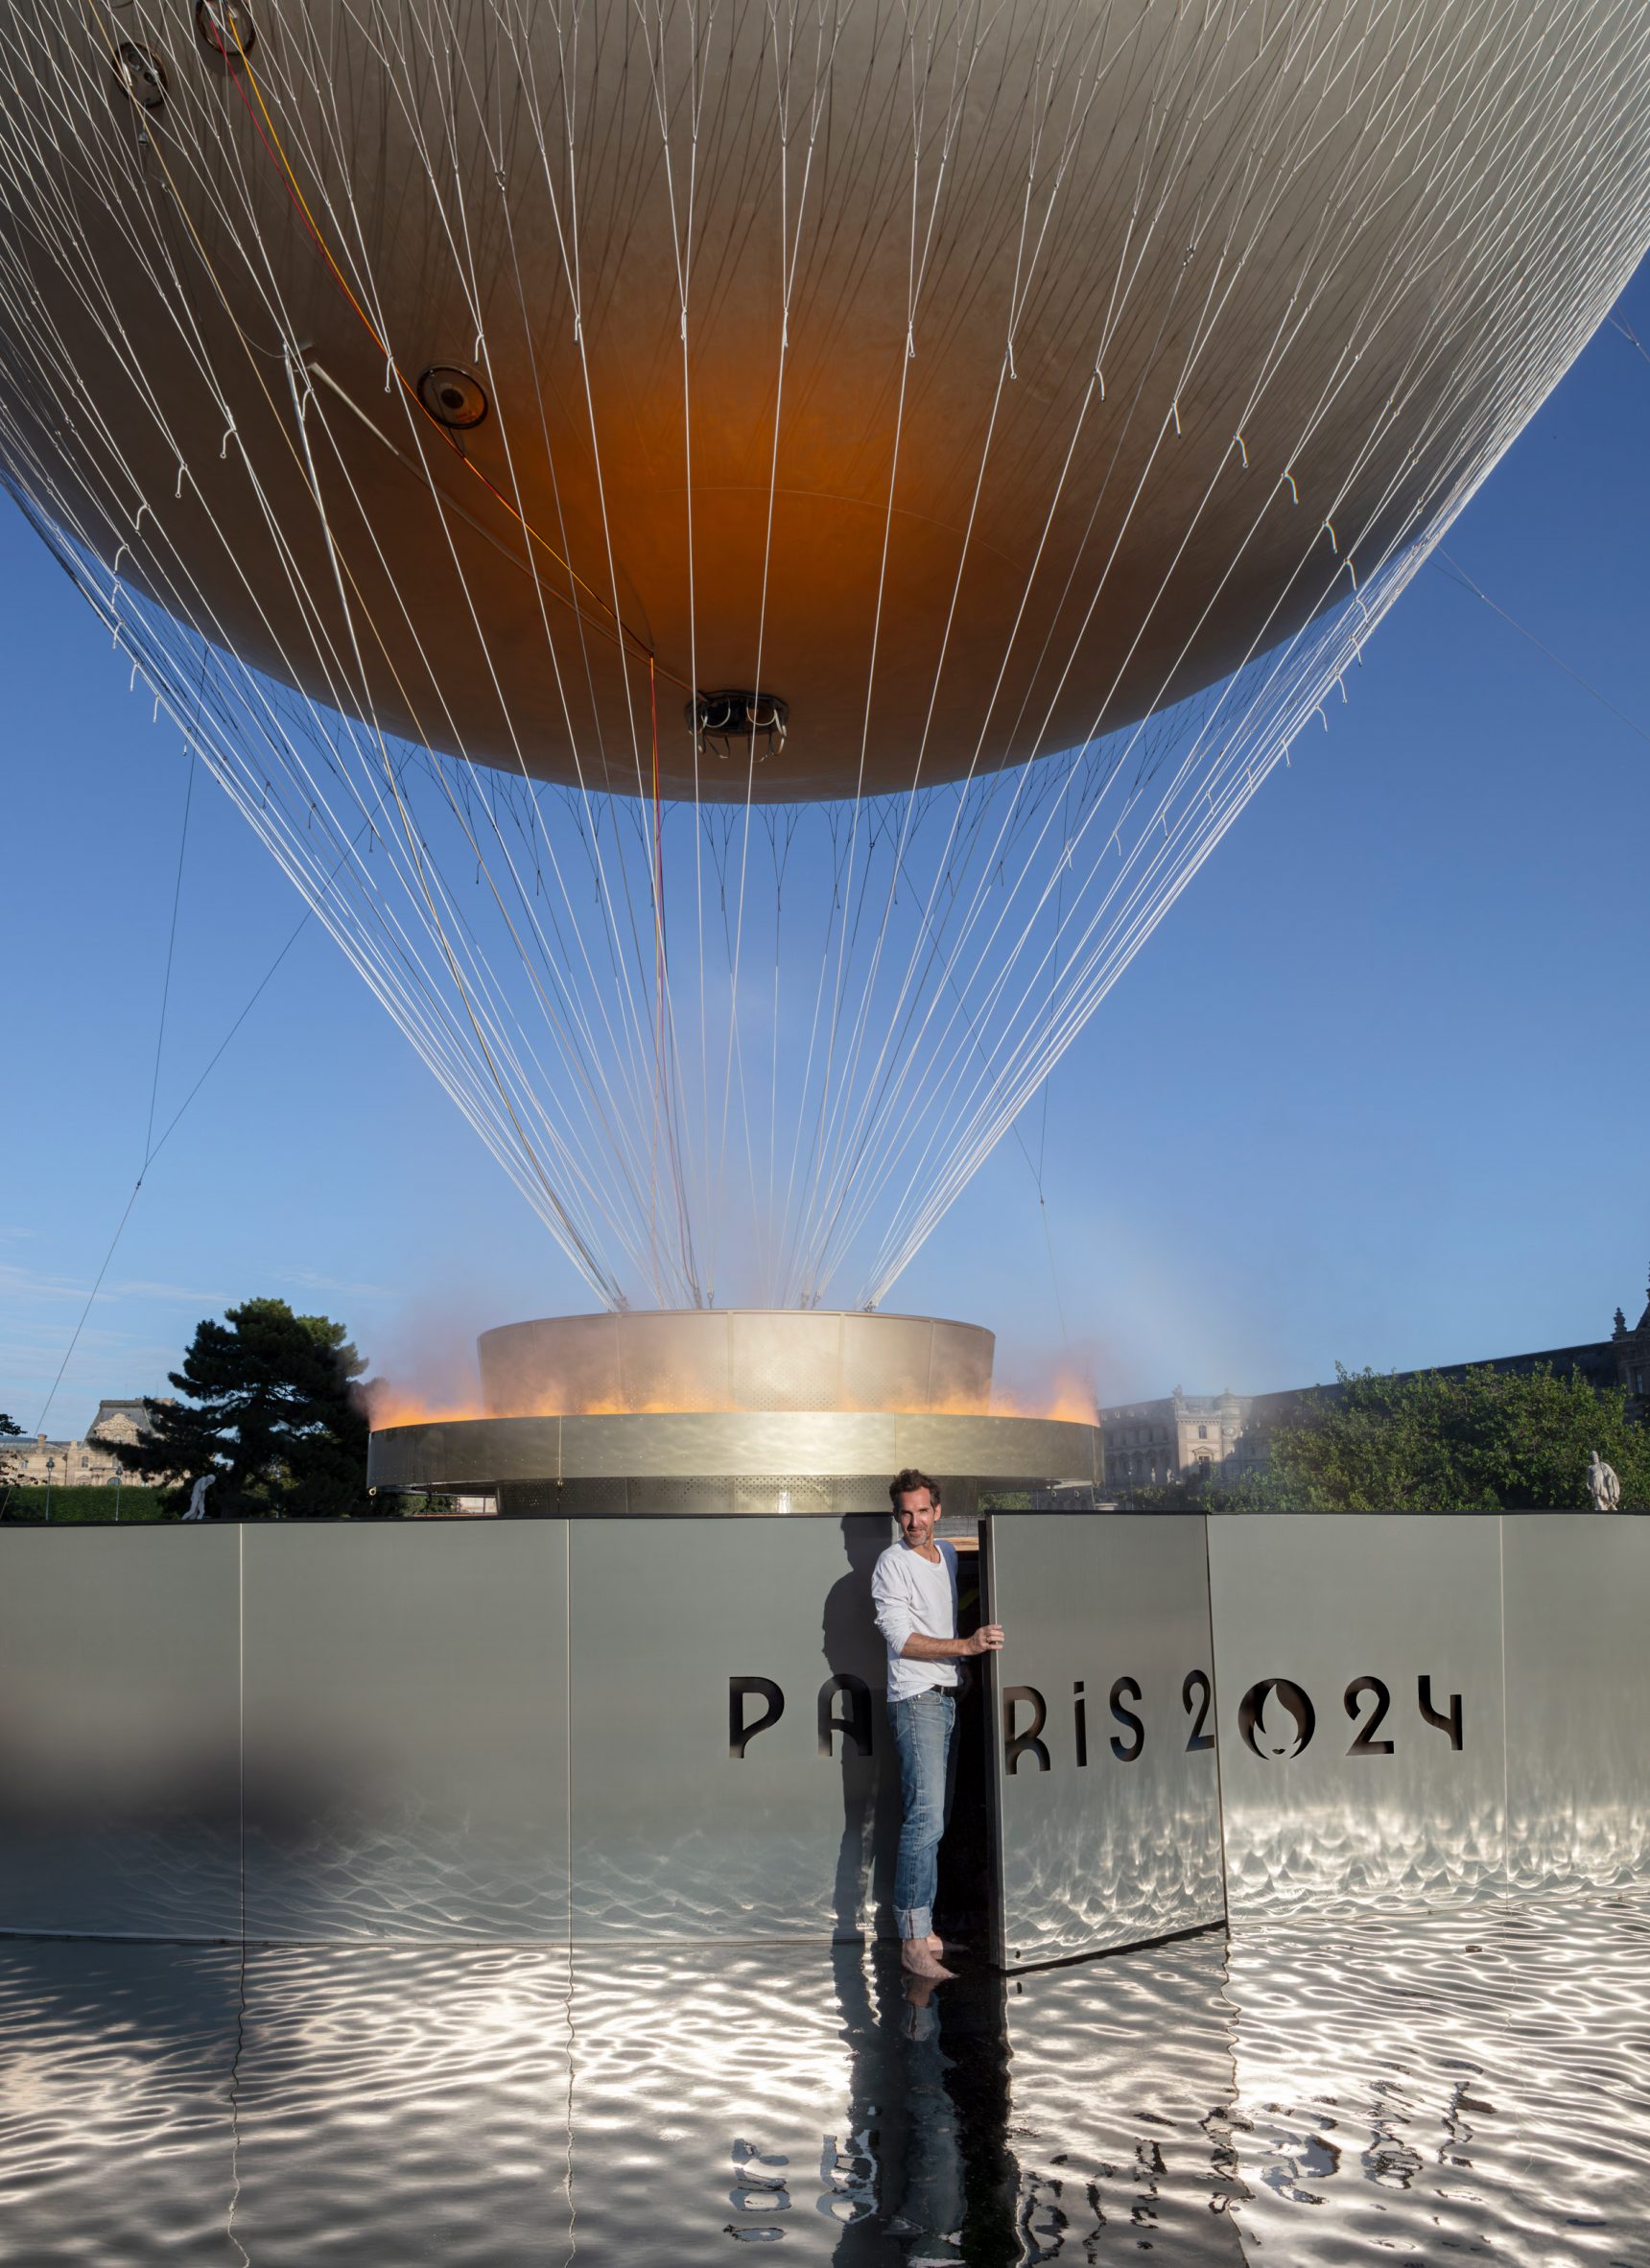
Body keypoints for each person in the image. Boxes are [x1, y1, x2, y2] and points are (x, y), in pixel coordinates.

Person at [871, 1468, 1004, 1981]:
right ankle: (911, 1944)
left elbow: (940, 1619)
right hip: (915, 1700)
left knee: (935, 1823)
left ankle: (924, 1931)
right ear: (896, 1515)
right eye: (905, 1513)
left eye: (923, 1511)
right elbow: (901, 1639)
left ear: (937, 1512)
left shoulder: (946, 1554)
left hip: (945, 1698)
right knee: (923, 1822)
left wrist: (960, 1671)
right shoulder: (890, 1564)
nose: (914, 1521)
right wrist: (966, 1648)